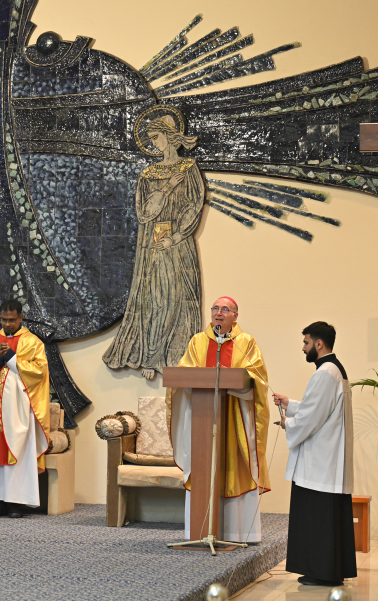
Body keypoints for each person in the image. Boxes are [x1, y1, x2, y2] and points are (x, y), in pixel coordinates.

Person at [103, 108, 205, 380]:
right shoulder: (148, 174)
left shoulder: (189, 168)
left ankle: (176, 358)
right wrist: (168, 187)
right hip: (154, 242)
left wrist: (178, 236)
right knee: (155, 299)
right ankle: (150, 356)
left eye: (156, 137)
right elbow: (144, 213)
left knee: (178, 299)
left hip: (179, 244)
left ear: (170, 137)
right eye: (150, 139)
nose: (154, 143)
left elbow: (194, 206)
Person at [166, 296, 271, 542]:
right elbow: (184, 373)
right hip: (202, 417)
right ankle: (200, 530)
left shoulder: (246, 342)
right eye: (215, 308)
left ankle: (237, 532)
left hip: (235, 418)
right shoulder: (198, 341)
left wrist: (232, 377)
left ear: (235, 316)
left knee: (236, 463)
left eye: (225, 309)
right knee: (203, 462)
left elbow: (258, 378)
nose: (218, 313)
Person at [273, 322, 355, 587]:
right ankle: (330, 571)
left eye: (306, 342)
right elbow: (317, 408)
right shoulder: (334, 369)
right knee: (325, 519)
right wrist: (290, 405)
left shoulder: (325, 372)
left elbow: (312, 417)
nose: (303, 348)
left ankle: (322, 573)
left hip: (319, 462)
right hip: (327, 460)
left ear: (319, 344)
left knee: (316, 519)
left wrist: (288, 423)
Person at [0, 300, 50, 519]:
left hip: (18, 410)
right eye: (4, 320)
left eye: (12, 320)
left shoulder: (33, 343)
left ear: (20, 318)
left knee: (18, 450)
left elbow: (40, 371)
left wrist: (13, 359)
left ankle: (15, 504)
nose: (7, 324)